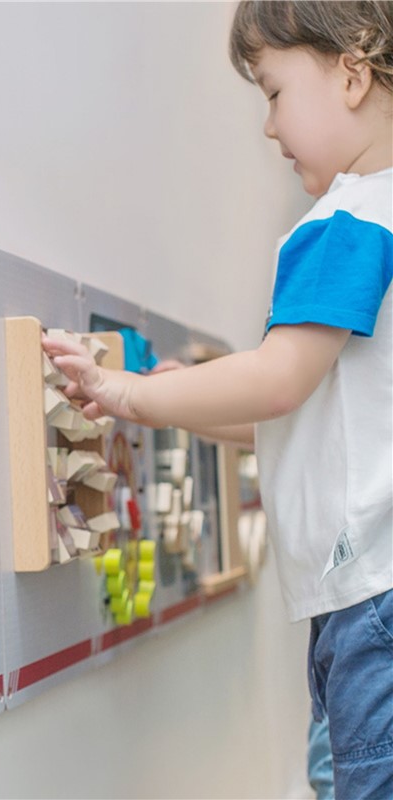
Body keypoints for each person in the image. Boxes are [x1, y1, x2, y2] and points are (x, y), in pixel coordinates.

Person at [43, 2, 393, 797]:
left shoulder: (347, 223)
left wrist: (130, 392)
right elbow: (302, 410)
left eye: (273, 93)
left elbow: (277, 379)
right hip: (362, 596)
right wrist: (180, 397)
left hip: (371, 600)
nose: (269, 127)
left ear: (351, 73)